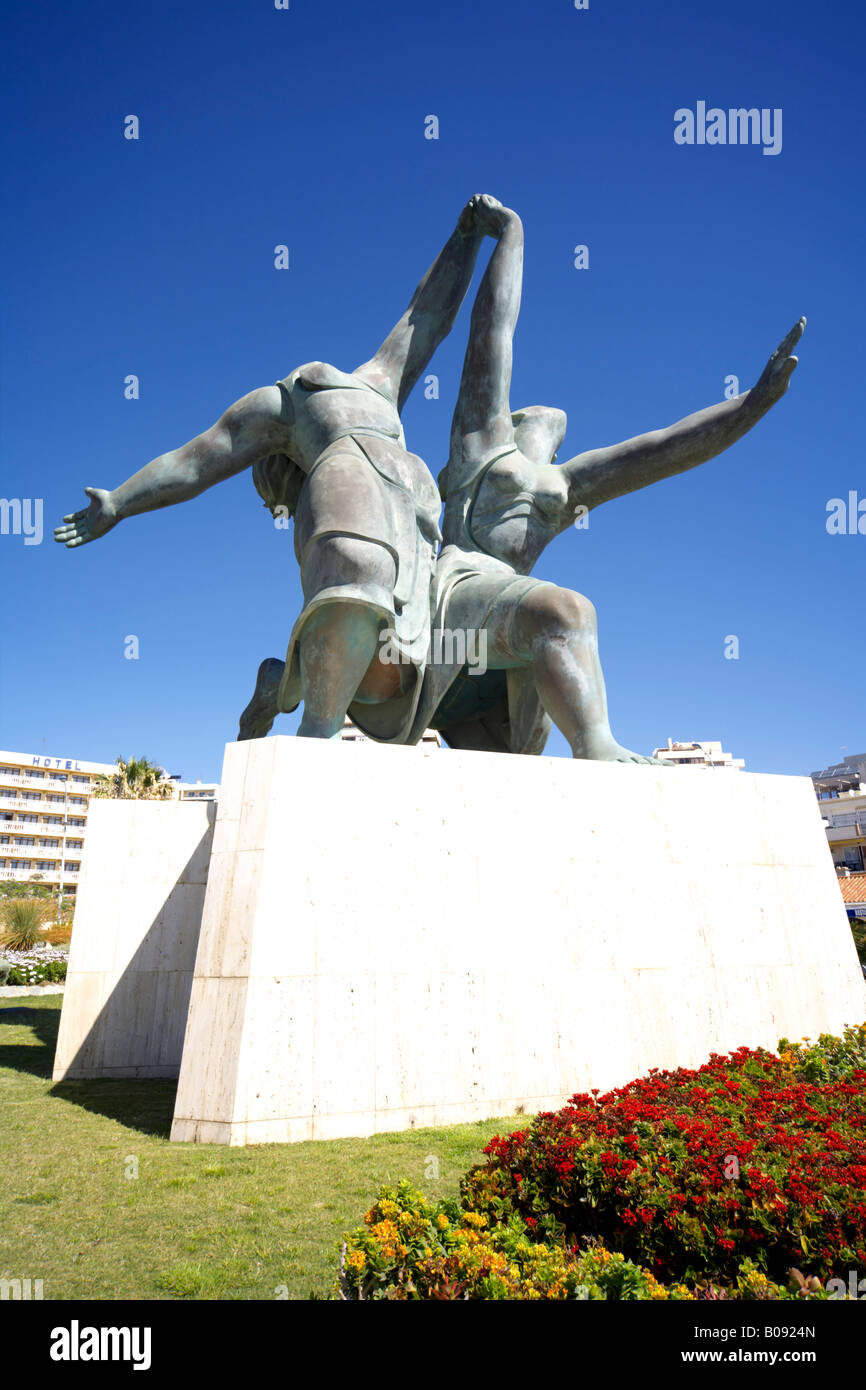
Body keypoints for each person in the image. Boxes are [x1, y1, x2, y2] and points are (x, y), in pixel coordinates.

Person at [55, 198, 495, 742]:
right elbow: (195, 462)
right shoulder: (283, 405)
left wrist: (465, 234)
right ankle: (316, 731)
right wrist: (120, 501)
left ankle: (283, 685)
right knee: (357, 569)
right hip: (347, 473)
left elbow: (427, 315)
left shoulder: (382, 379)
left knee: (407, 648)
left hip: (415, 505)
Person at [404, 198, 805, 760]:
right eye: (534, 416)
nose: (547, 420)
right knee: (568, 612)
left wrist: (750, 406)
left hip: (502, 627)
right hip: (454, 593)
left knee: (529, 721)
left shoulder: (564, 487)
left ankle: (579, 756)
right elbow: (493, 332)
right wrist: (511, 237)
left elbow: (663, 451)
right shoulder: (483, 446)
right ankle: (597, 747)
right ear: (514, 421)